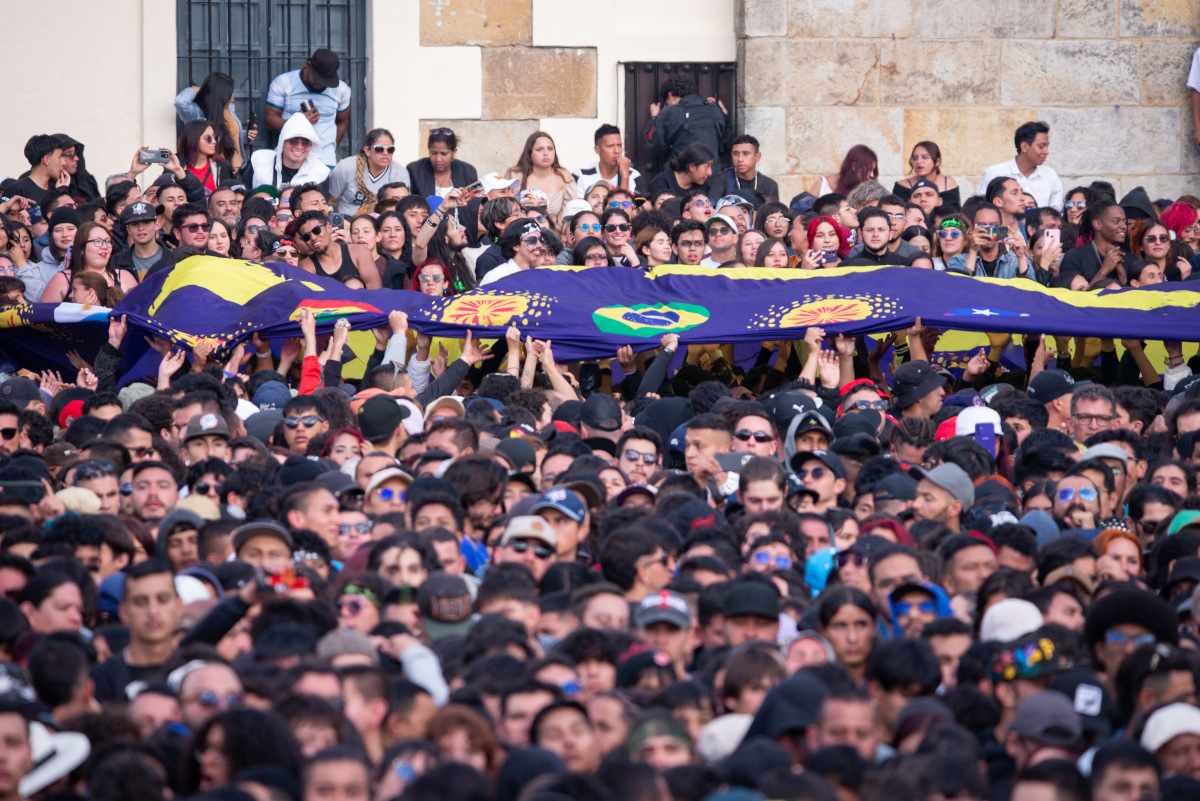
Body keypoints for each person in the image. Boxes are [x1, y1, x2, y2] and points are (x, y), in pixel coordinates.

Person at [265, 49, 351, 166]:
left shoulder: (342, 90)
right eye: (318, 79)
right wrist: (298, 120)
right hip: (290, 160)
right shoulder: (284, 83)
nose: (321, 84)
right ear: (308, 65)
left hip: (324, 162)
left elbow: (341, 123)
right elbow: (269, 120)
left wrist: (328, 149)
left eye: (326, 81)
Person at [175, 71, 255, 172]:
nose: (233, 99)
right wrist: (199, 89)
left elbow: (230, 137)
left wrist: (247, 136)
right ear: (219, 95)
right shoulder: (197, 112)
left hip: (237, 171)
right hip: (213, 173)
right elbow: (180, 103)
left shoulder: (230, 109)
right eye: (229, 95)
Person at [645, 76, 731, 171]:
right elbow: (727, 143)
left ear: (670, 96)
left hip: (681, 176)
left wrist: (654, 117)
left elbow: (654, 146)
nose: (667, 105)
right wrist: (724, 115)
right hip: (711, 175)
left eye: (667, 102)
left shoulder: (669, 112)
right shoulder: (714, 109)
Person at [980, 121, 1064, 211]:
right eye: (1041, 146)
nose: (1046, 152)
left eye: (1047, 146)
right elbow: (984, 209)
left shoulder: (1050, 175)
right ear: (1024, 146)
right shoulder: (995, 172)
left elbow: (1056, 211)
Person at [329, 128, 411, 215]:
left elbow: (404, 207)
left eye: (390, 149)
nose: (386, 153)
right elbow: (331, 201)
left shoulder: (400, 173)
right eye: (379, 149)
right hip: (347, 223)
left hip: (383, 223)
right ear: (367, 150)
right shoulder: (345, 167)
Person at [506, 132, 579, 227]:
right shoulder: (516, 176)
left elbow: (567, 220)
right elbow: (506, 212)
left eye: (550, 149)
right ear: (529, 152)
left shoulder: (564, 177)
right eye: (539, 149)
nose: (546, 153)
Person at [249, 113, 330, 191]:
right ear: (282, 141)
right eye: (293, 141)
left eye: (305, 142)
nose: (299, 147)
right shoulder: (260, 161)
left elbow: (322, 204)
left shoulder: (320, 172)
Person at [407, 128, 479, 198]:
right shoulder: (415, 171)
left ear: (454, 152)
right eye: (434, 153)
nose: (438, 159)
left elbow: (473, 203)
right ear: (429, 151)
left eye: (444, 154)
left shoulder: (468, 172)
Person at [573, 124, 642, 195]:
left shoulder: (633, 176)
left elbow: (624, 204)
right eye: (610, 146)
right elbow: (579, 205)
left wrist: (625, 176)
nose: (617, 151)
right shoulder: (581, 174)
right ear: (597, 149)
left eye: (619, 145)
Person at [892, 141, 960, 210]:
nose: (918, 161)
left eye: (924, 157)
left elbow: (956, 213)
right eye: (915, 158)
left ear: (937, 161)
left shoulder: (948, 183)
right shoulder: (902, 186)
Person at [709, 135, 778, 202]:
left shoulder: (769, 185)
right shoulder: (721, 180)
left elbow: (774, 211)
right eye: (736, 154)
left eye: (745, 154)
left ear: (757, 157)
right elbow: (712, 209)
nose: (740, 159)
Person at [808, 144, 878, 198]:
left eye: (873, 170)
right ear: (854, 166)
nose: (872, 175)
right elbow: (805, 213)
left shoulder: (867, 190)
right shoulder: (823, 185)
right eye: (868, 170)